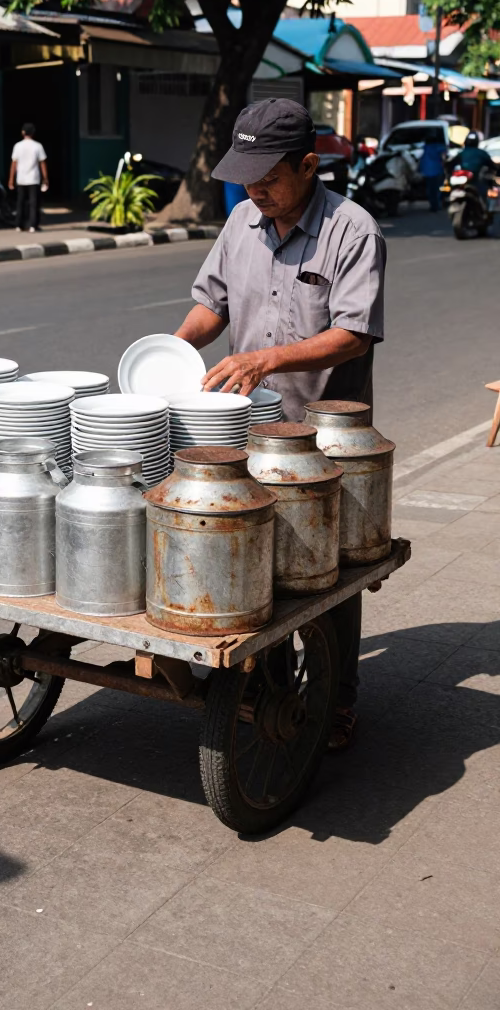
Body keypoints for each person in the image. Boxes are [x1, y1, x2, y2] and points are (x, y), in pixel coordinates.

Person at [174, 98, 387, 751]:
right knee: (255, 557)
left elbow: (353, 333)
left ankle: (336, 699)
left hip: (325, 441)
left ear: (308, 164)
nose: (254, 190)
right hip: (250, 431)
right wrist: (171, 358)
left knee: (325, 575)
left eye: (269, 177)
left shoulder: (353, 231)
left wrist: (267, 358)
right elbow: (210, 307)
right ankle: (264, 684)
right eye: (247, 177)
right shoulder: (241, 221)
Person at [8, 123, 48, 232]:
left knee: (20, 202)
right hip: (33, 179)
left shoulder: (17, 146)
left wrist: (11, 179)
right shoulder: (38, 146)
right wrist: (45, 178)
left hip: (21, 179)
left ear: (23, 132)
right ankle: (32, 226)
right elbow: (42, 163)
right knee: (33, 203)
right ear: (33, 133)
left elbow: (14, 164)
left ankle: (18, 225)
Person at [454, 131, 497, 207]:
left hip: (474, 183)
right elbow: (492, 166)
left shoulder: (462, 153)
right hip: (469, 184)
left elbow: (450, 164)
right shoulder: (480, 153)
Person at [418, 137, 447, 212]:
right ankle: (437, 204)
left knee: (430, 189)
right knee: (438, 188)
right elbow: (444, 157)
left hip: (427, 171)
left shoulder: (425, 148)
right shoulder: (440, 147)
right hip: (437, 170)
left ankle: (433, 205)